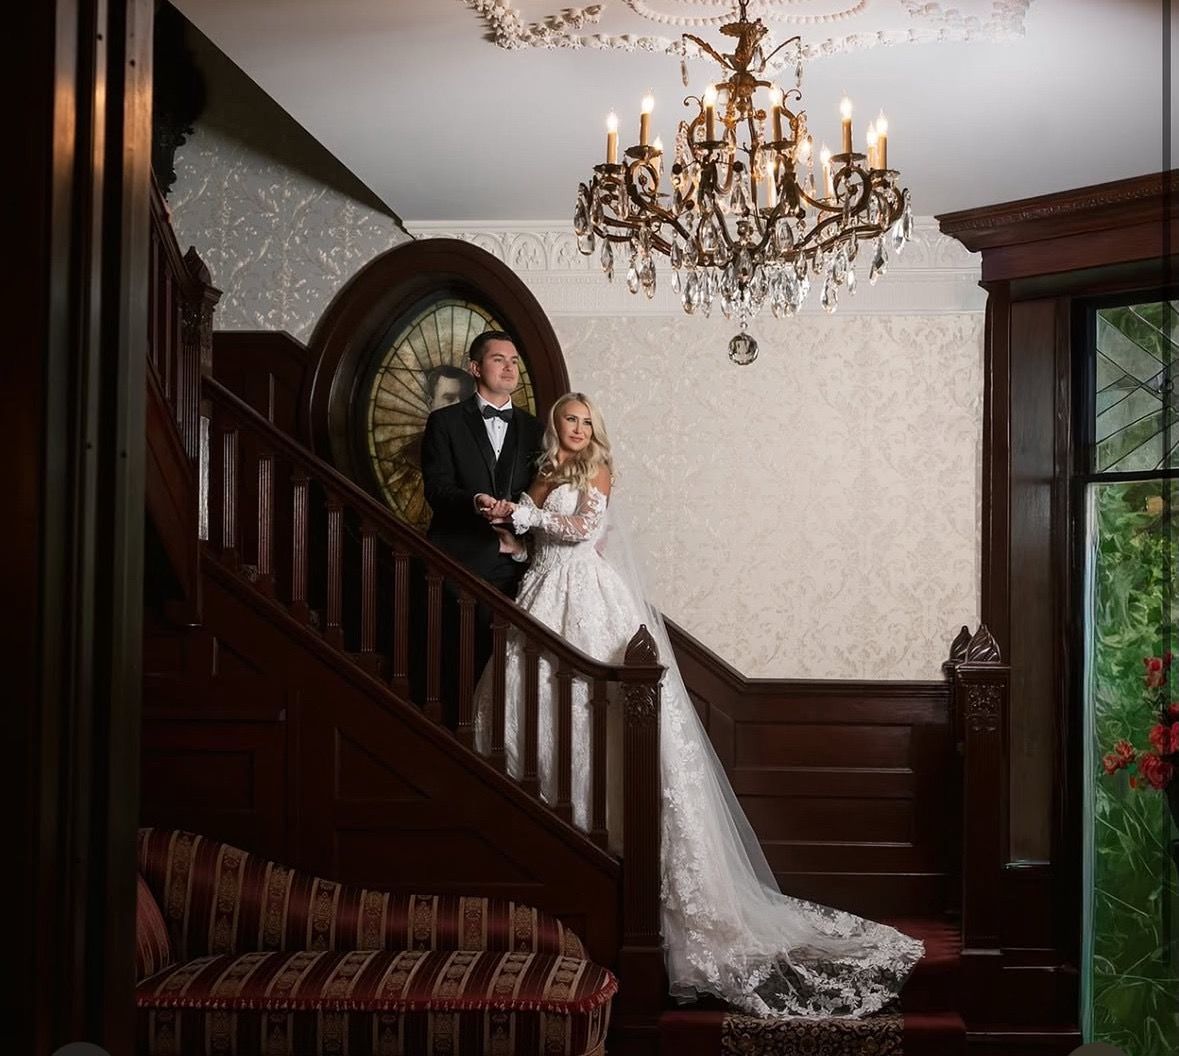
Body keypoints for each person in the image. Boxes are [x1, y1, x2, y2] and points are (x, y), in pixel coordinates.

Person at [472, 392, 924, 1019]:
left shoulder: (598, 469)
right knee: (535, 710)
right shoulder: (544, 473)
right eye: (569, 421)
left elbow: (581, 532)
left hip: (589, 598)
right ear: (555, 427)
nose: (578, 429)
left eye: (586, 421)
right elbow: (534, 548)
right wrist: (506, 520)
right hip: (544, 593)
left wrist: (525, 518)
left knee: (607, 708)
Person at [420, 331, 544, 725]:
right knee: (457, 665)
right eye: (498, 360)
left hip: (518, 569)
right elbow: (437, 489)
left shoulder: (536, 429)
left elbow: (546, 494)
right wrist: (474, 502)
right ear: (475, 368)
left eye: (513, 361)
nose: (509, 367)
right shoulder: (444, 422)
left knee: (513, 672)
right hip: (457, 564)